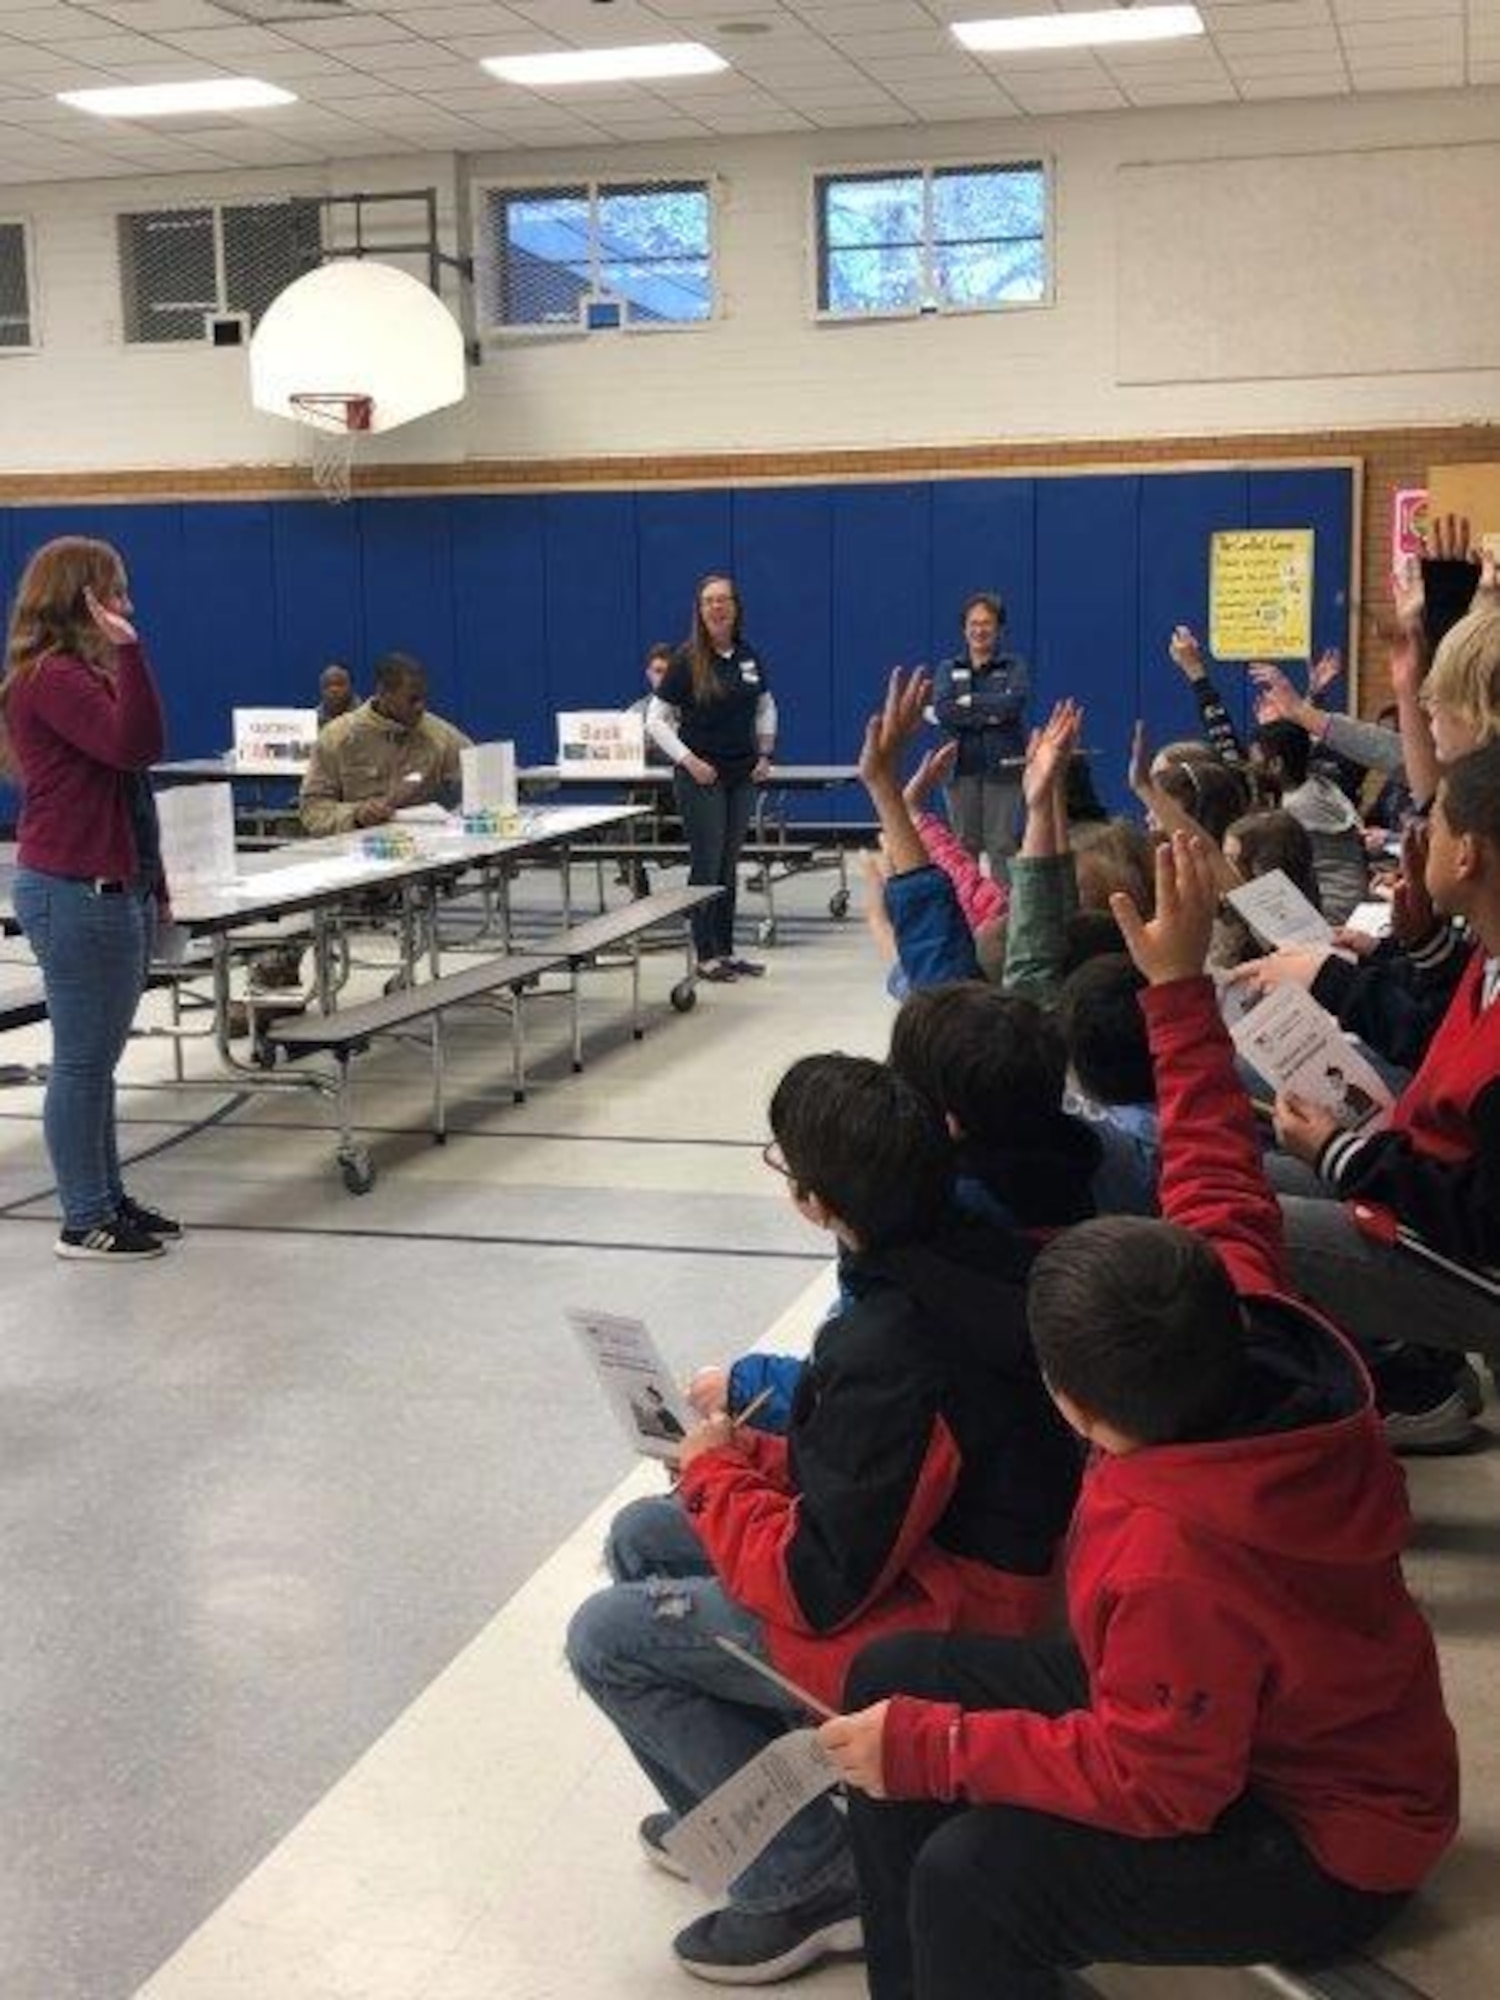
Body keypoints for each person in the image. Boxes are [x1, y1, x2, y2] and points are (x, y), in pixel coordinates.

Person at [819, 832, 1458, 2000]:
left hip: (1318, 1831)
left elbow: (1166, 1779)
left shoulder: (1177, 1557)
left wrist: (935, 1747)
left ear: (1080, 1407)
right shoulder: (1239, 1319)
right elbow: (1213, 1167)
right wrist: (1174, 989)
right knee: (895, 1670)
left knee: (973, 1869)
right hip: (1233, 1703)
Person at [565, 1051, 1081, 1985]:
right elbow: (874, 1475)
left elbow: (815, 1585)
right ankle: (775, 1811)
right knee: (642, 1536)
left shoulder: (893, 1340)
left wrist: (719, 1472)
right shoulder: (982, 1259)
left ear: (812, 1201)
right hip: (968, 1563)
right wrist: (739, 1457)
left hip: (953, 1624)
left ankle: (807, 1877)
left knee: (605, 1636)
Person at [1, 536, 179, 1260]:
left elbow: (131, 787)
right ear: (83, 599)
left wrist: (156, 884)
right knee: (81, 1063)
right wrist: (132, 651)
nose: (128, 605)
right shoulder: (51, 679)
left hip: (113, 885)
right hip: (74, 891)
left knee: (98, 1060)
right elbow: (136, 746)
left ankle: (106, 1195)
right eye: (117, 592)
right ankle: (83, 1217)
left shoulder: (80, 674)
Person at [647, 574, 777, 982]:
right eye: (708, 601)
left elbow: (766, 706)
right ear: (700, 610)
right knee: (706, 864)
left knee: (728, 864)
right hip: (701, 778)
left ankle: (726, 950)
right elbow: (656, 720)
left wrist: (765, 752)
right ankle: (704, 955)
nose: (716, 607)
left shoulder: (748, 656)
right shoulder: (686, 660)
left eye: (723, 600)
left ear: (736, 607)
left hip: (742, 774)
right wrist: (689, 761)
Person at [300, 651, 469, 835]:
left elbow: (481, 775)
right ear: (383, 693)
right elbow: (312, 811)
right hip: (355, 852)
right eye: (412, 700)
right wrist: (356, 815)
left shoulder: (439, 735)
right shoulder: (337, 737)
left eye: (423, 698)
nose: (420, 707)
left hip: (422, 849)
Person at [930, 591, 1029, 880]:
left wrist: (970, 702)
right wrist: (991, 711)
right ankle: (970, 914)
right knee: (963, 845)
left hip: (1004, 768)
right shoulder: (948, 668)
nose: (979, 630)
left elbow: (1013, 705)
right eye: (973, 623)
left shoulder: (1014, 666)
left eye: (986, 623)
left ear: (998, 628)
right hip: (959, 769)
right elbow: (945, 710)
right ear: (964, 629)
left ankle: (1004, 916)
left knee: (1002, 844)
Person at [316, 661, 356, 729]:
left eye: (340, 684)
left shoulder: (365, 718)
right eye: (327, 684)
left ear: (351, 686)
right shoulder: (312, 720)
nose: (334, 690)